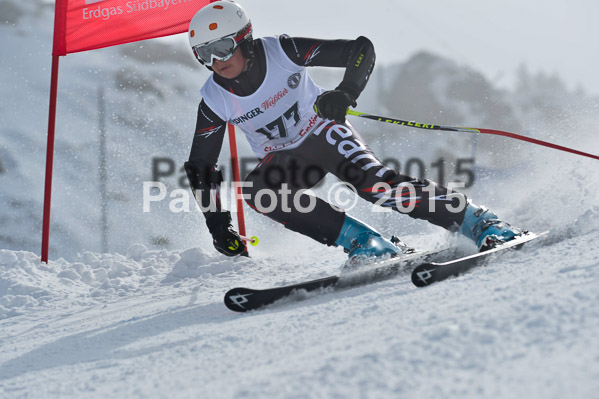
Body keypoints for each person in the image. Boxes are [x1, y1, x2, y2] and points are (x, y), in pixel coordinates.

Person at [184, 0, 522, 259]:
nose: (216, 62)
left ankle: (478, 220)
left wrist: (346, 92)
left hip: (325, 134)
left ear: (245, 39)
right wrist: (218, 225)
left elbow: (359, 50)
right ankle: (365, 242)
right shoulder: (214, 99)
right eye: (204, 54)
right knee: (259, 190)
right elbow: (201, 168)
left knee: (376, 187)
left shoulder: (282, 51)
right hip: (289, 161)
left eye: (222, 48)